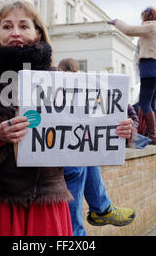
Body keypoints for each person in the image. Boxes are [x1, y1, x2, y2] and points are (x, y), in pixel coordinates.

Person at [0, 0, 134, 236]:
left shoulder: (59, 79)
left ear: (38, 32)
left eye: (24, 26)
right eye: (7, 26)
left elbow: (86, 127)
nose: (15, 33)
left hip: (45, 202)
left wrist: (119, 131)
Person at [57, 58, 137, 236]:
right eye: (66, 75)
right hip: (56, 155)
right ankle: (95, 214)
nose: (71, 78)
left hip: (75, 147)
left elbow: (126, 111)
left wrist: (127, 127)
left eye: (75, 75)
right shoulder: (50, 85)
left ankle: (101, 210)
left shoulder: (89, 88)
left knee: (85, 157)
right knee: (76, 167)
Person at [109, 7, 156, 145]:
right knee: (152, 103)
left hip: (150, 68)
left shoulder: (151, 26)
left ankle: (153, 136)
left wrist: (116, 22)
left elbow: (129, 30)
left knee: (144, 102)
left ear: (146, 17)